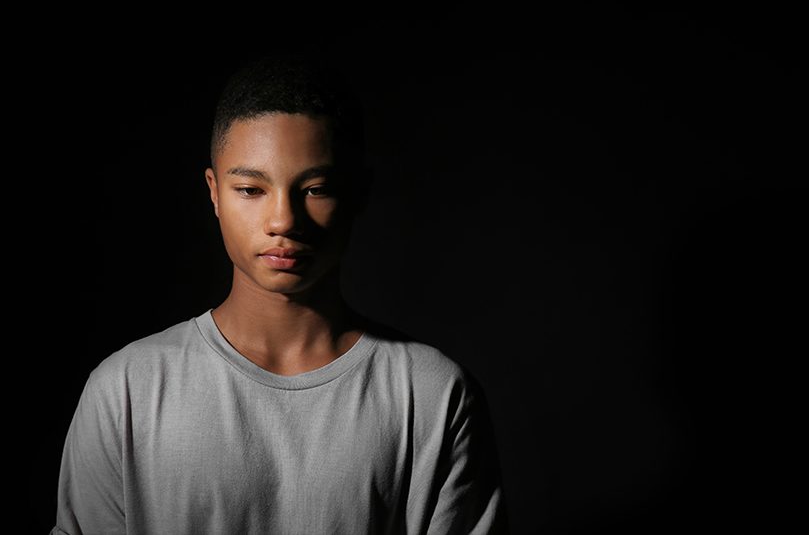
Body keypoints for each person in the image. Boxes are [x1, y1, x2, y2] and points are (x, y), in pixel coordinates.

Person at [51, 53, 508, 534]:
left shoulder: (432, 394)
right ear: (214, 193)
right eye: (251, 189)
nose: (283, 220)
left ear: (358, 193)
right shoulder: (126, 390)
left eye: (316, 188)